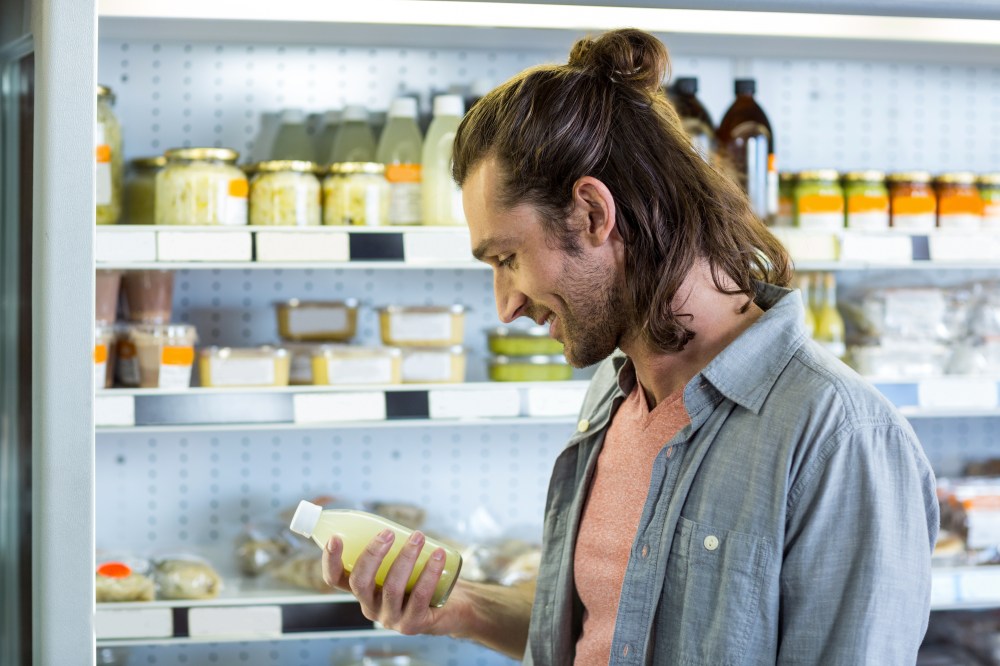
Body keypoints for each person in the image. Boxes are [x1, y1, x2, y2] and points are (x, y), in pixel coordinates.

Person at [323, 28, 938, 664]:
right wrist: (464, 608)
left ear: (592, 213)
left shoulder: (840, 438)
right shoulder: (614, 394)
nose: (505, 304)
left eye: (507, 258)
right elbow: (610, 622)